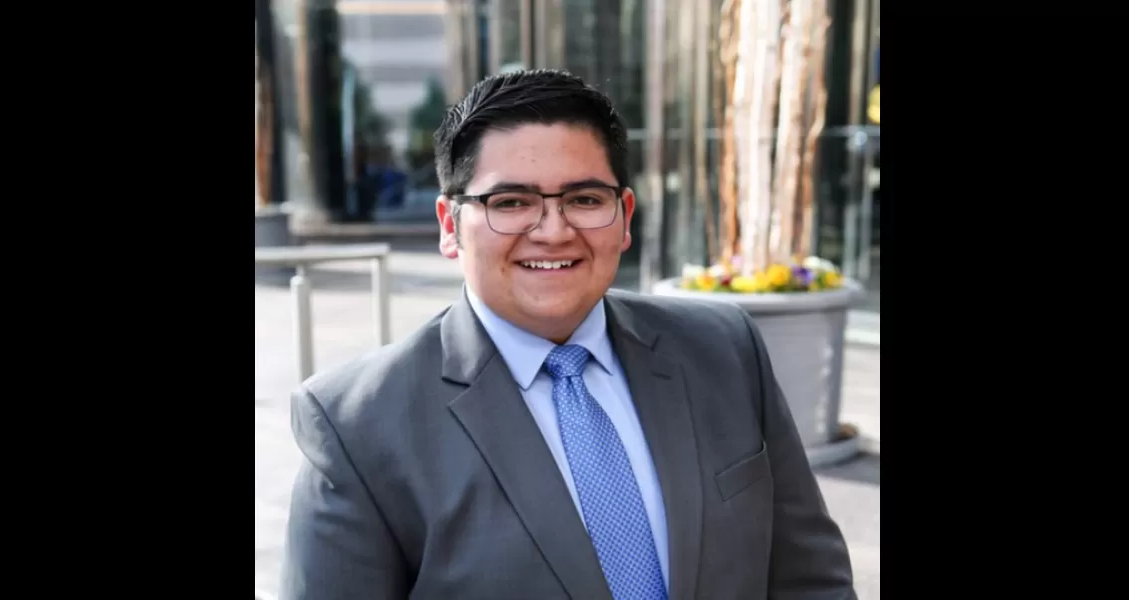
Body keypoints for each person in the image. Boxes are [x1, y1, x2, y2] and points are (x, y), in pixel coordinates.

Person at [280, 69, 856, 600]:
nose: (553, 232)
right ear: (449, 226)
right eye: (510, 202)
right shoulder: (357, 425)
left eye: (584, 199)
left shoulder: (723, 349)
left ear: (625, 215)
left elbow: (812, 581)